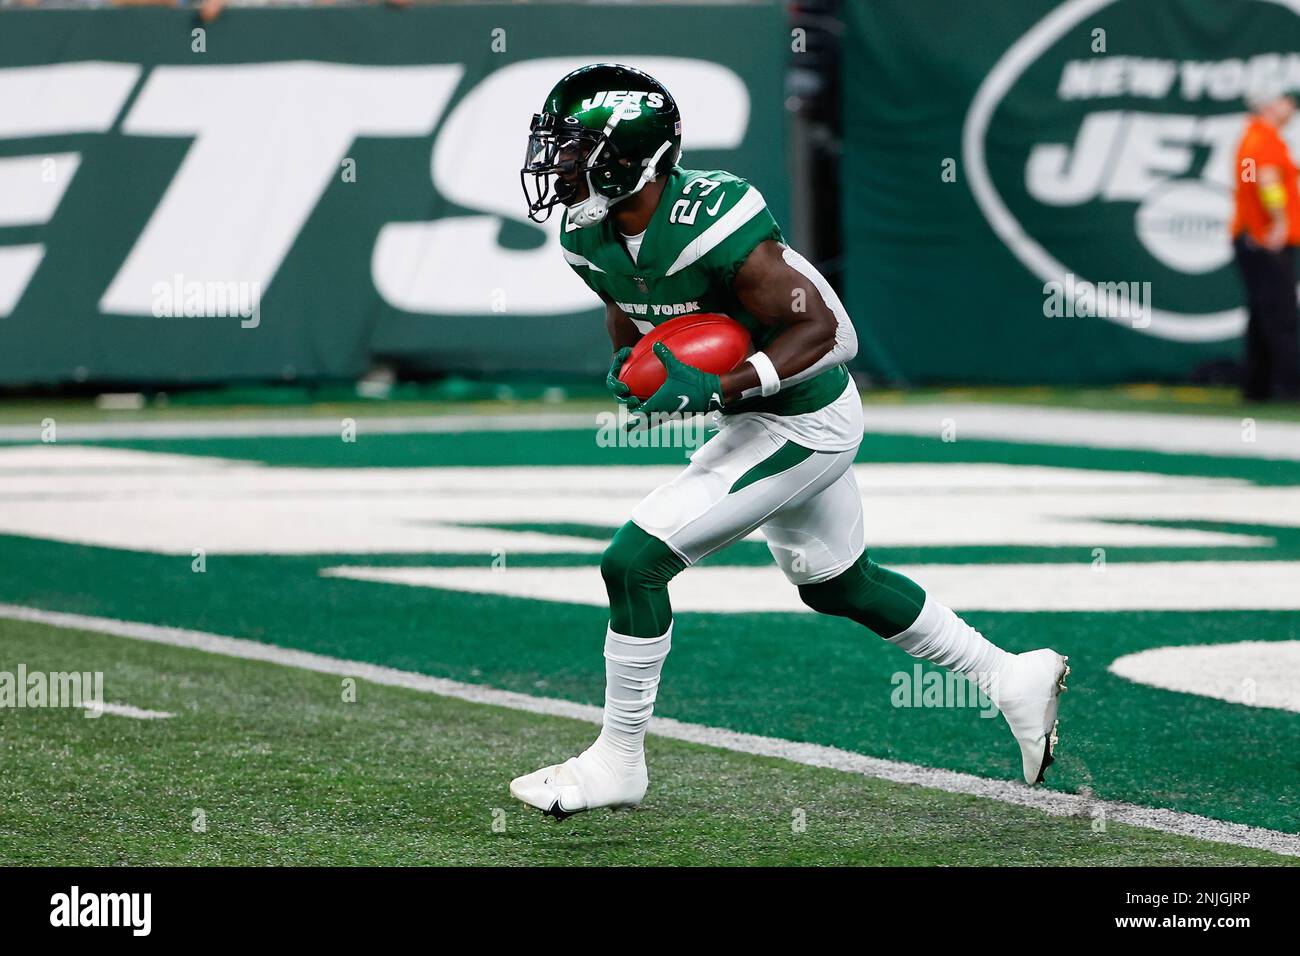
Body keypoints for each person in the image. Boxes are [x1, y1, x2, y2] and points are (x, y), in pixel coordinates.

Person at [510, 64, 1068, 819]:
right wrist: (635, 368)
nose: (560, 164)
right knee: (838, 583)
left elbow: (832, 331)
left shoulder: (716, 217)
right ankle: (1009, 675)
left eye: (576, 148)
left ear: (632, 158)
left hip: (805, 418)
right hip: (758, 418)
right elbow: (634, 312)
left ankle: (619, 762)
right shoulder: (586, 236)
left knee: (633, 563)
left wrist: (717, 387)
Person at [1231, 84, 1300, 402]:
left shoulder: (1256, 137)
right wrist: (1279, 224)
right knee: (1281, 314)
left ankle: (1257, 387)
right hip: (1266, 239)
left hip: (1254, 238)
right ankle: (1289, 386)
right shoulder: (1264, 138)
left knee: (1263, 314)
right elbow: (1267, 180)